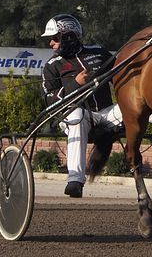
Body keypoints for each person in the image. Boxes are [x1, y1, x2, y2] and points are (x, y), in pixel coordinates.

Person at [40, 14, 123, 198]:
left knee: (135, 105)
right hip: (73, 116)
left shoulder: (100, 53)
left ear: (68, 36)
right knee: (77, 114)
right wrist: (74, 84)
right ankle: (75, 180)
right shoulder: (51, 66)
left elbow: (121, 75)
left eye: (54, 39)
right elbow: (49, 99)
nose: (51, 44)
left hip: (105, 114)